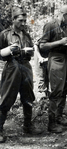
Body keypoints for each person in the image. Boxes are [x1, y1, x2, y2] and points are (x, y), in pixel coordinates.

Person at [0, 7, 43, 143]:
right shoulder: (5, 34)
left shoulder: (27, 35)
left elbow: (31, 50)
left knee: (28, 97)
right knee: (6, 98)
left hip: (25, 66)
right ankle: (0, 130)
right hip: (12, 67)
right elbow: (0, 53)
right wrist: (9, 50)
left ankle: (28, 126)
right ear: (13, 20)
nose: (24, 23)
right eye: (20, 20)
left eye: (25, 21)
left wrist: (30, 51)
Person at [39, 5, 67, 133]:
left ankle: (59, 117)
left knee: (66, 88)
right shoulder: (50, 25)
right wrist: (59, 42)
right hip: (56, 59)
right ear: (63, 14)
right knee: (56, 91)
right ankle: (52, 123)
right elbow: (42, 45)